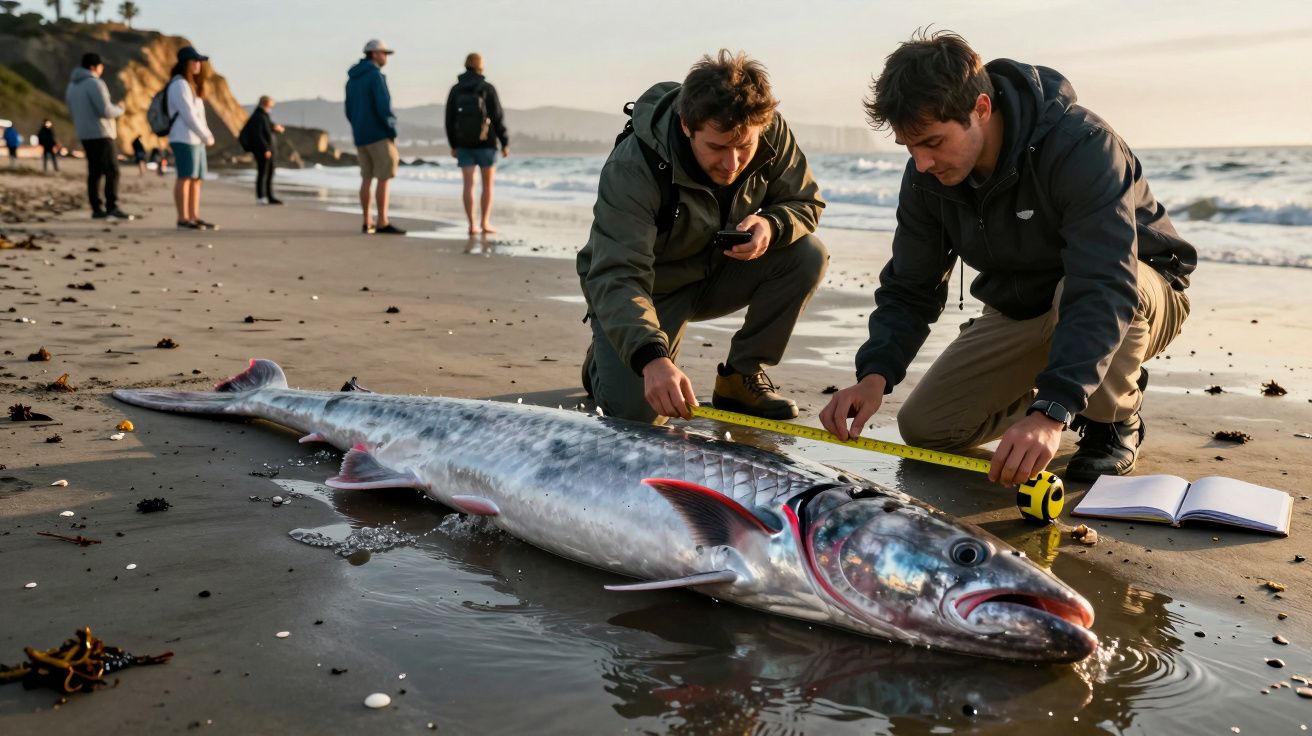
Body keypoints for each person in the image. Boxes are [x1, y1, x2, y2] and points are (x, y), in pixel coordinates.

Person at [819, 31, 1196, 485]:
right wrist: (874, 376)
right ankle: (1072, 384)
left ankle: (1113, 418)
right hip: (1023, 307)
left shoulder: (1083, 146)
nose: (920, 162)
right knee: (927, 429)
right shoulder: (925, 175)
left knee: (1087, 291)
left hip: (1136, 294)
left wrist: (1051, 413)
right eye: (909, 147)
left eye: (933, 143)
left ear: (981, 108)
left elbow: (1104, 282)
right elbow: (911, 284)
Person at [577, 50, 827, 424]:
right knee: (637, 415)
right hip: (652, 288)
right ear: (685, 127)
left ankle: (740, 377)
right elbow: (617, 274)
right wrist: (651, 358)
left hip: (724, 272)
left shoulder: (768, 129)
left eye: (744, 147)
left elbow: (805, 201)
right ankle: (605, 358)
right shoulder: (633, 167)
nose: (731, 163)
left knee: (807, 254)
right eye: (716, 147)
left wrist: (771, 226)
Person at [345, 39, 405, 235]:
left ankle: (366, 221)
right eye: (383, 53)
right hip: (378, 134)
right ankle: (382, 221)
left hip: (360, 135)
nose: (385, 56)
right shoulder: (375, 76)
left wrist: (358, 126)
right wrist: (391, 131)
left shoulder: (352, 79)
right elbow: (383, 106)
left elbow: (348, 110)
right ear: (373, 54)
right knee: (384, 177)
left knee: (366, 178)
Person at [445, 52, 509, 235]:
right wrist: (504, 142)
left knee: (468, 184)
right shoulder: (487, 88)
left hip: (463, 144)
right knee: (487, 185)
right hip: (486, 143)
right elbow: (497, 117)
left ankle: (471, 224)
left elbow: (449, 119)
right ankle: (485, 223)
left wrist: (453, 144)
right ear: (481, 66)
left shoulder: (456, 89)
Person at [64, 53, 133, 219]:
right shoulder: (95, 83)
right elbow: (106, 111)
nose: (102, 69)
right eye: (101, 66)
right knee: (112, 171)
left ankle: (96, 208)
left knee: (94, 171)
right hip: (101, 133)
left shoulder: (72, 86)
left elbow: (71, 108)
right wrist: (120, 109)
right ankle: (112, 207)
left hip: (84, 133)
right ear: (95, 67)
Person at [167, 46, 217, 230]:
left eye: (199, 61)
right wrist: (205, 135)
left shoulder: (191, 85)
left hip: (196, 139)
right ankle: (183, 218)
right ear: (185, 63)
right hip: (183, 137)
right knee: (185, 177)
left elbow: (198, 115)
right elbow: (188, 115)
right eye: (195, 61)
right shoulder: (179, 84)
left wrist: (205, 135)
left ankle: (193, 216)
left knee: (196, 178)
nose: (198, 64)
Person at [240, 95, 285, 205]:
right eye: (270, 105)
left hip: (268, 150)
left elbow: (266, 128)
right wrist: (265, 149)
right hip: (263, 151)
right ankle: (261, 197)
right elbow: (257, 135)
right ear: (265, 103)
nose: (271, 107)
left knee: (269, 173)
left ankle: (269, 197)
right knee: (263, 173)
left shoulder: (263, 115)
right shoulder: (258, 116)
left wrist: (275, 127)